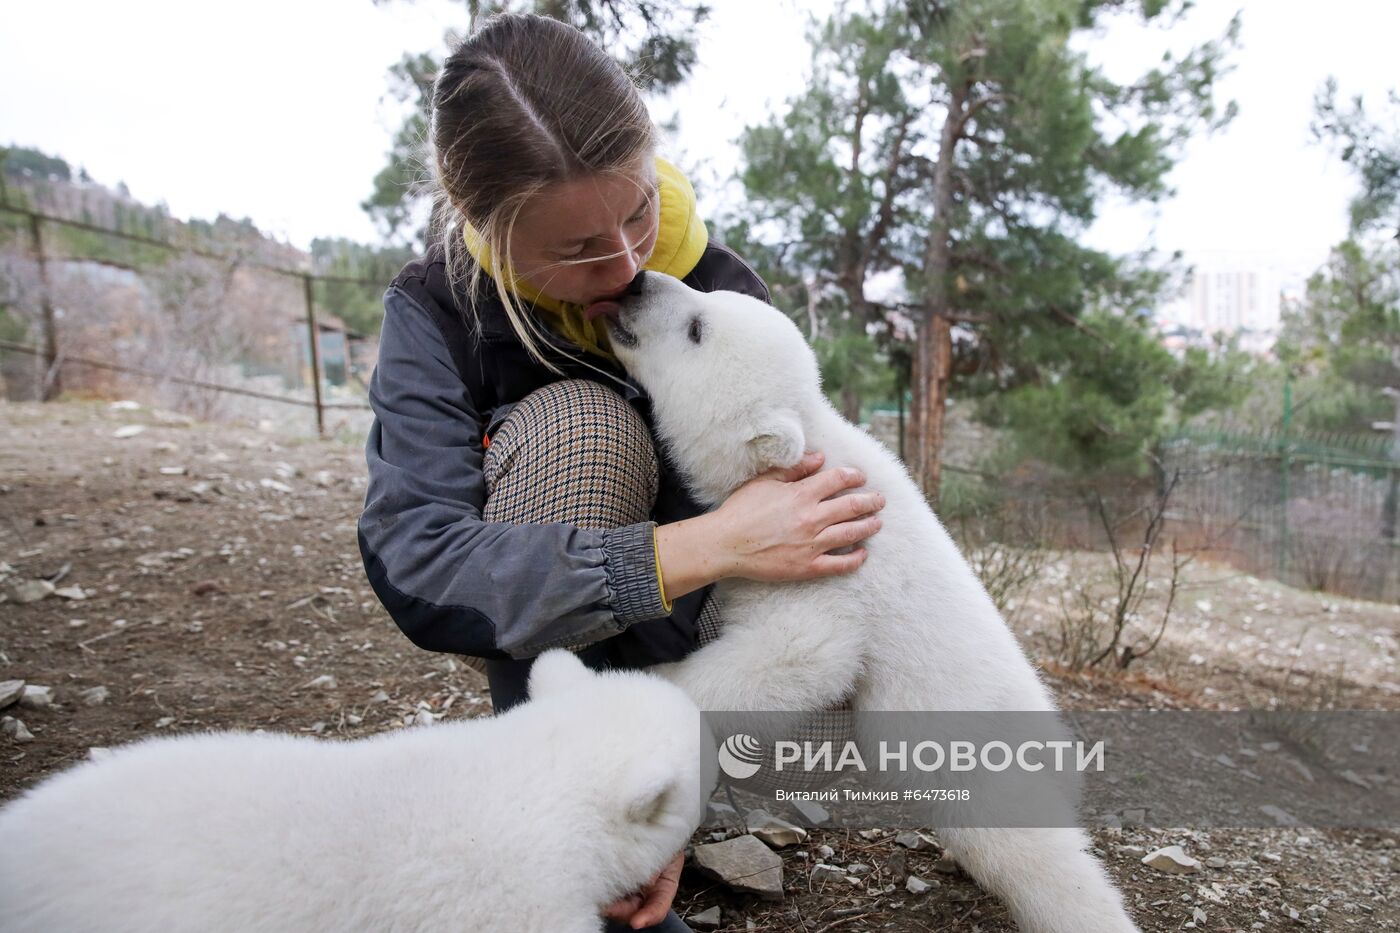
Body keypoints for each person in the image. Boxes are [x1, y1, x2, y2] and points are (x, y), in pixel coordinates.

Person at [358, 12, 885, 931]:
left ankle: (625, 835)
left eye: (638, 209)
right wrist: (705, 542)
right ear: (479, 223)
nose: (628, 261)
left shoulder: (719, 291)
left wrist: (667, 807)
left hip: (717, 673)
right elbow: (421, 565)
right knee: (582, 429)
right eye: (575, 250)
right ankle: (568, 839)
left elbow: (802, 564)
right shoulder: (437, 308)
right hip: (563, 670)